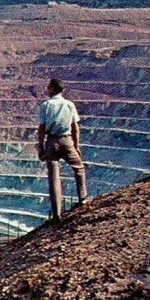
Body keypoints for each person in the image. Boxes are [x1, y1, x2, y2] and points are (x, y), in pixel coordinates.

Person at [36, 78, 88, 221]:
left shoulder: (45, 106)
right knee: (79, 168)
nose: (47, 90)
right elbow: (75, 128)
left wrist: (40, 147)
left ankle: (56, 214)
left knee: (54, 177)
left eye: (49, 88)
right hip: (67, 140)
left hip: (52, 141)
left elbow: (41, 128)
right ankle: (82, 198)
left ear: (52, 89)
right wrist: (77, 146)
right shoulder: (70, 105)